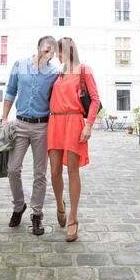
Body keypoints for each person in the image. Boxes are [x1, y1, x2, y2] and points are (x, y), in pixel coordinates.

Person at [2, 36, 59, 235]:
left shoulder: (54, 73)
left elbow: (57, 100)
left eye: (52, 53)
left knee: (40, 173)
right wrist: (3, 119)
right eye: (46, 51)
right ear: (38, 48)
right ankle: (19, 206)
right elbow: (10, 91)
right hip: (20, 124)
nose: (49, 56)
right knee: (12, 169)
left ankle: (37, 214)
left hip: (42, 127)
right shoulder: (20, 64)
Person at [47, 37, 100, 241]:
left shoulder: (84, 69)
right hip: (55, 123)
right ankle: (60, 204)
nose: (56, 56)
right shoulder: (57, 73)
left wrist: (89, 124)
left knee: (72, 171)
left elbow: (95, 99)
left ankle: (73, 218)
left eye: (59, 52)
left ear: (68, 50)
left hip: (74, 122)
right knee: (54, 172)